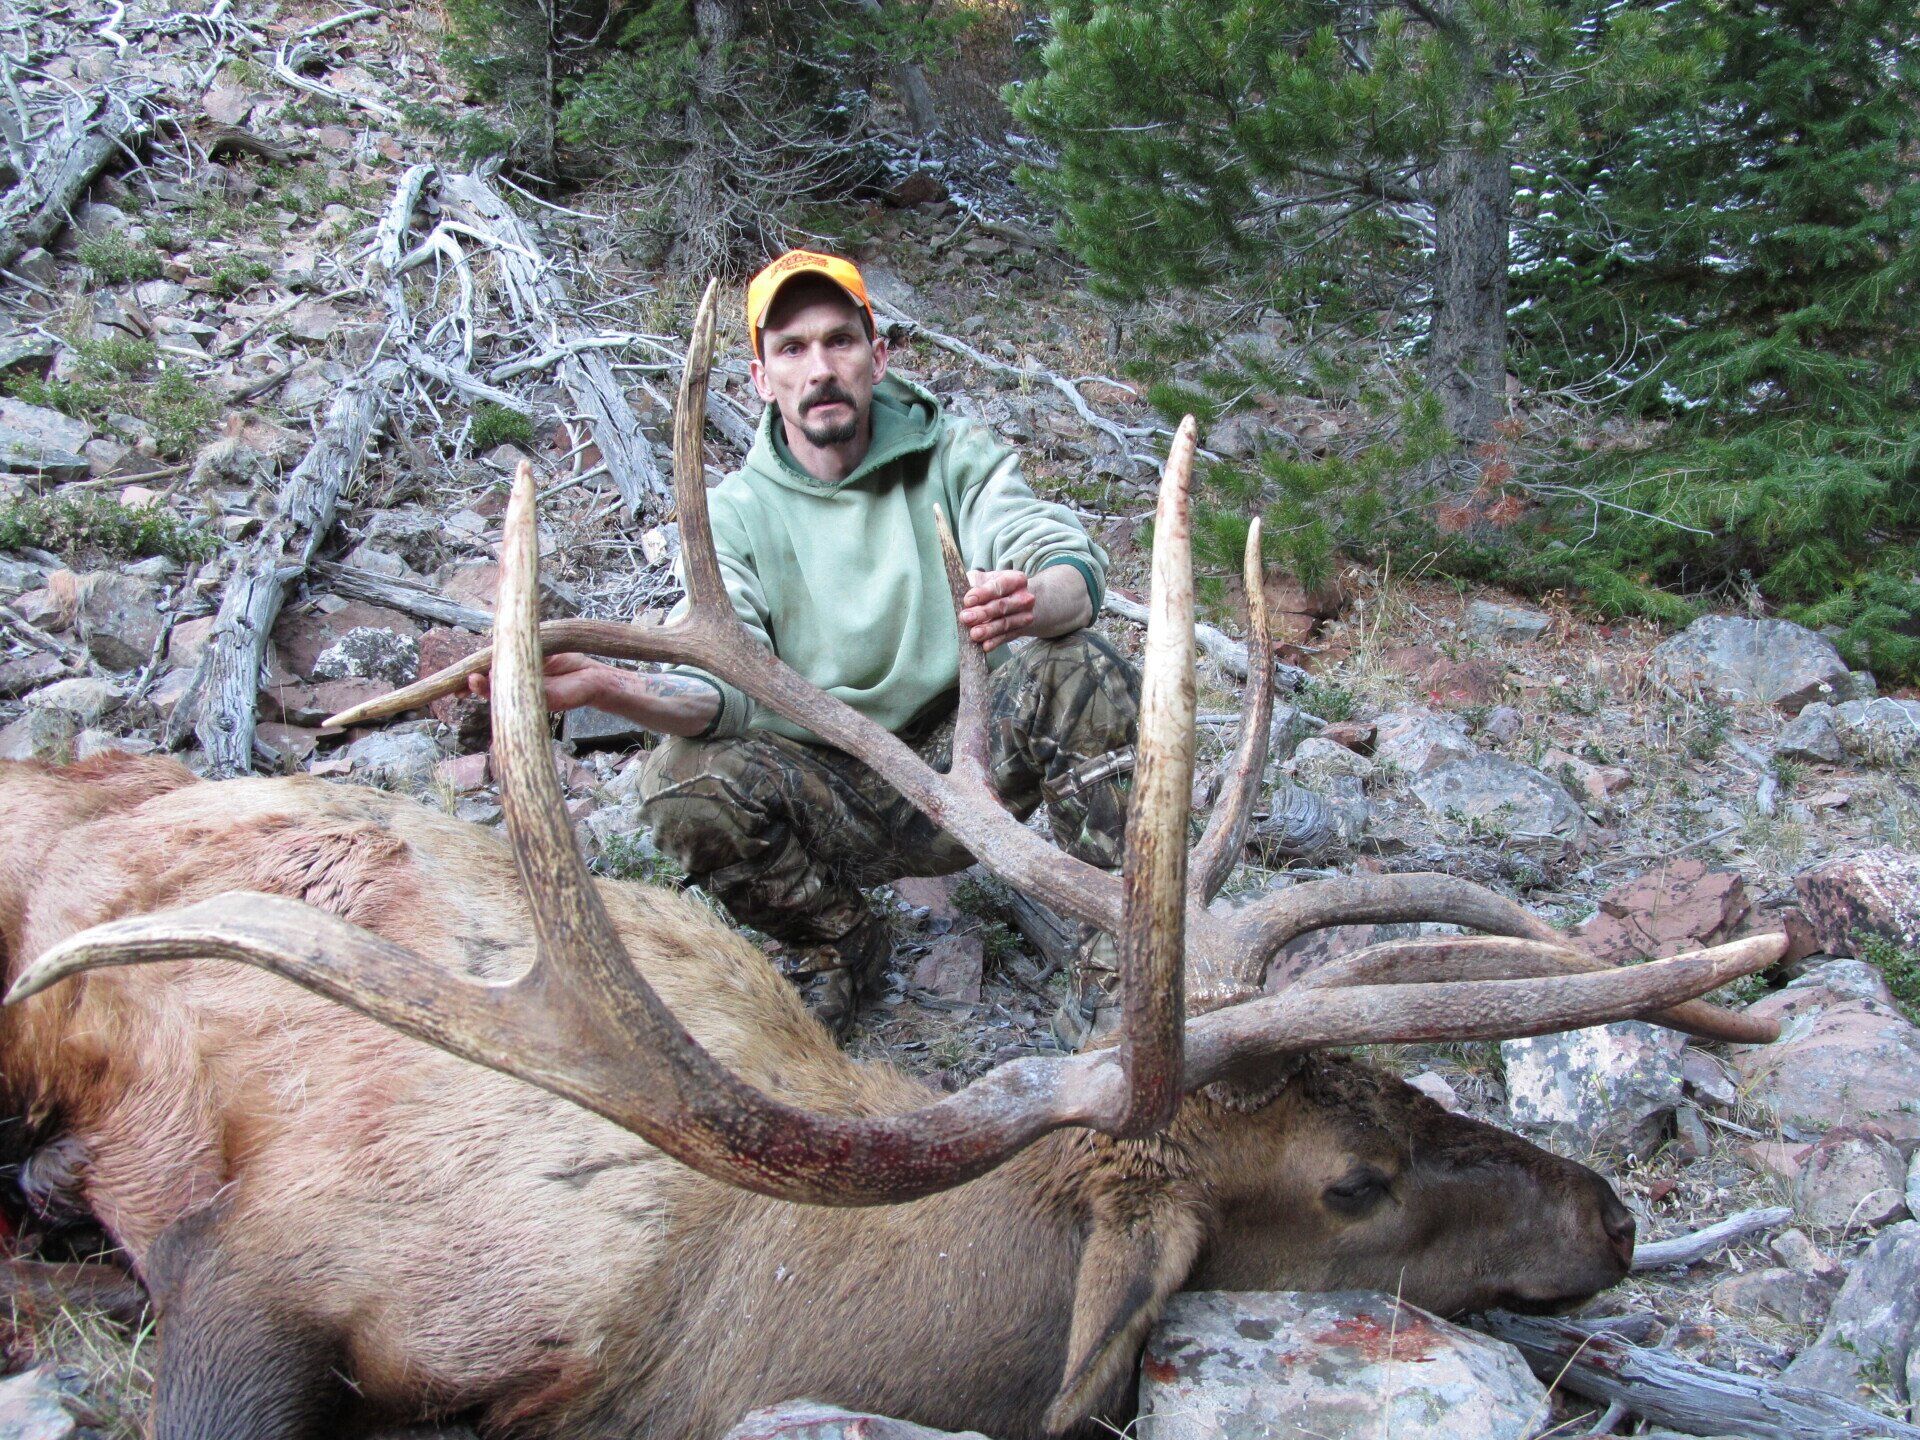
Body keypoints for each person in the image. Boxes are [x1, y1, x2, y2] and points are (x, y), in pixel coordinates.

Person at [472, 250, 1138, 1038]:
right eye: (791, 349)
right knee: (682, 781)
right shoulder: (735, 515)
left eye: (839, 342)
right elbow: (726, 691)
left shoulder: (955, 454)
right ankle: (838, 943)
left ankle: (1121, 962)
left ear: (876, 355)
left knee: (1081, 666)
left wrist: (1034, 600)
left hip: (970, 762)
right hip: (834, 788)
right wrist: (604, 688)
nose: (819, 367)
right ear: (761, 378)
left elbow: (1057, 555)